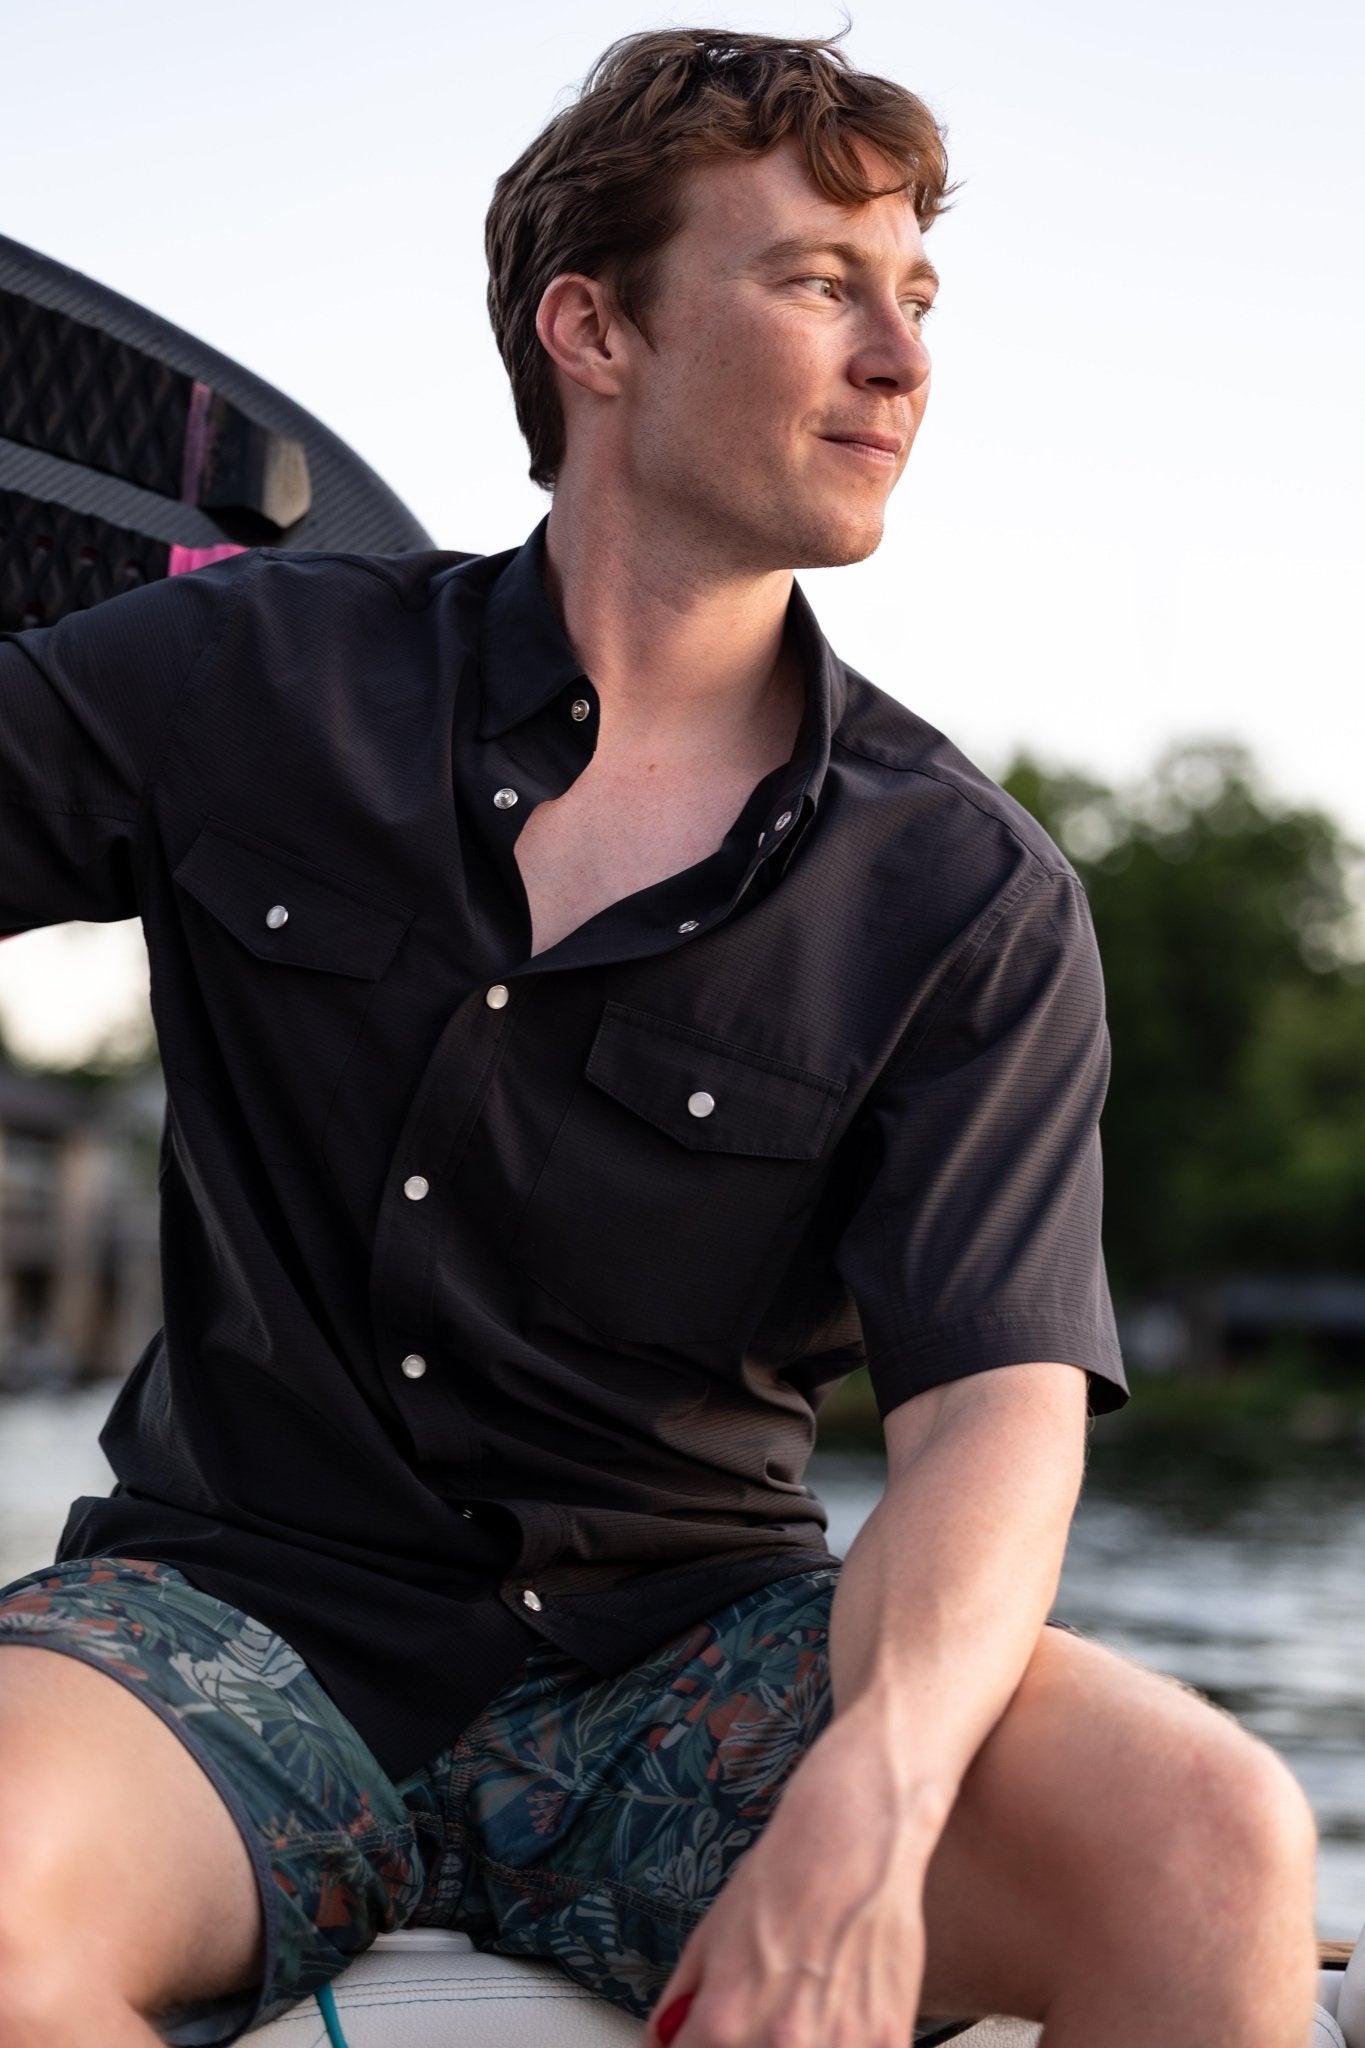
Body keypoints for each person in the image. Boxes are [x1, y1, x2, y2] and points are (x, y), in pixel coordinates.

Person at [0, 28, 1317, 2048]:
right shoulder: (245, 677)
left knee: (1209, 1837)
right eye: (816, 282)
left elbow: (990, 1412)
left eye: (917, 297)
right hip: (225, 1627)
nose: (898, 359)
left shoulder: (963, 895)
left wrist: (874, 1786)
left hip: (697, 1661)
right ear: (592, 328)